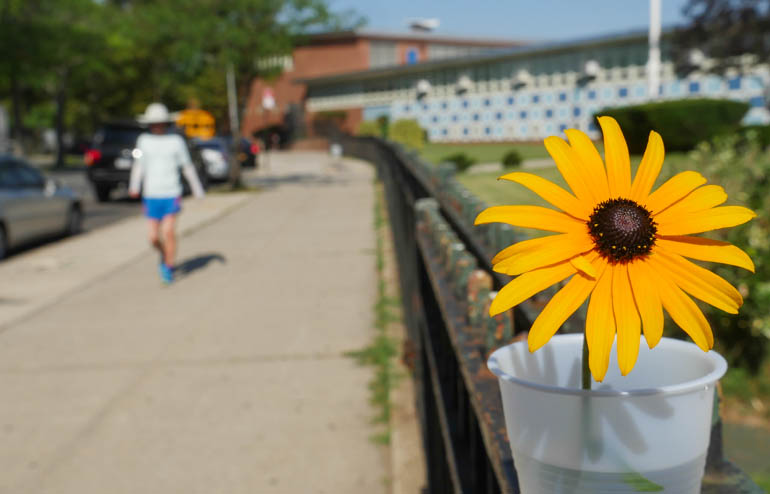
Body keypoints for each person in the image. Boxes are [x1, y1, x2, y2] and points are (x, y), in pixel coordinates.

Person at [129, 102, 205, 284]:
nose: (157, 126)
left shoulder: (176, 142)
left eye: (160, 123)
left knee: (169, 231)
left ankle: (168, 266)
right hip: (151, 194)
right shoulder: (143, 141)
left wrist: (197, 189)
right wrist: (134, 186)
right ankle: (164, 255)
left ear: (165, 123)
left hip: (171, 192)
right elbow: (139, 165)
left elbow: (187, 166)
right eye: (153, 123)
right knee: (154, 237)